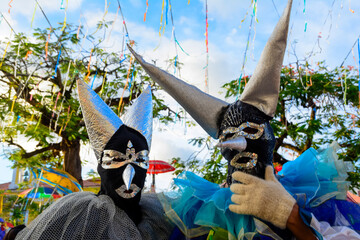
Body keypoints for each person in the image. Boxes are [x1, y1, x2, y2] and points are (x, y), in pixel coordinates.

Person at [128, 0, 360, 238]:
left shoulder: (309, 198)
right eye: (228, 135)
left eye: (250, 130)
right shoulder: (204, 211)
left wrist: (291, 216)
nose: (237, 142)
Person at [15, 81, 173, 239]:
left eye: (140, 160)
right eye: (116, 159)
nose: (129, 174)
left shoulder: (162, 219)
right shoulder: (80, 216)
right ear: (102, 167)